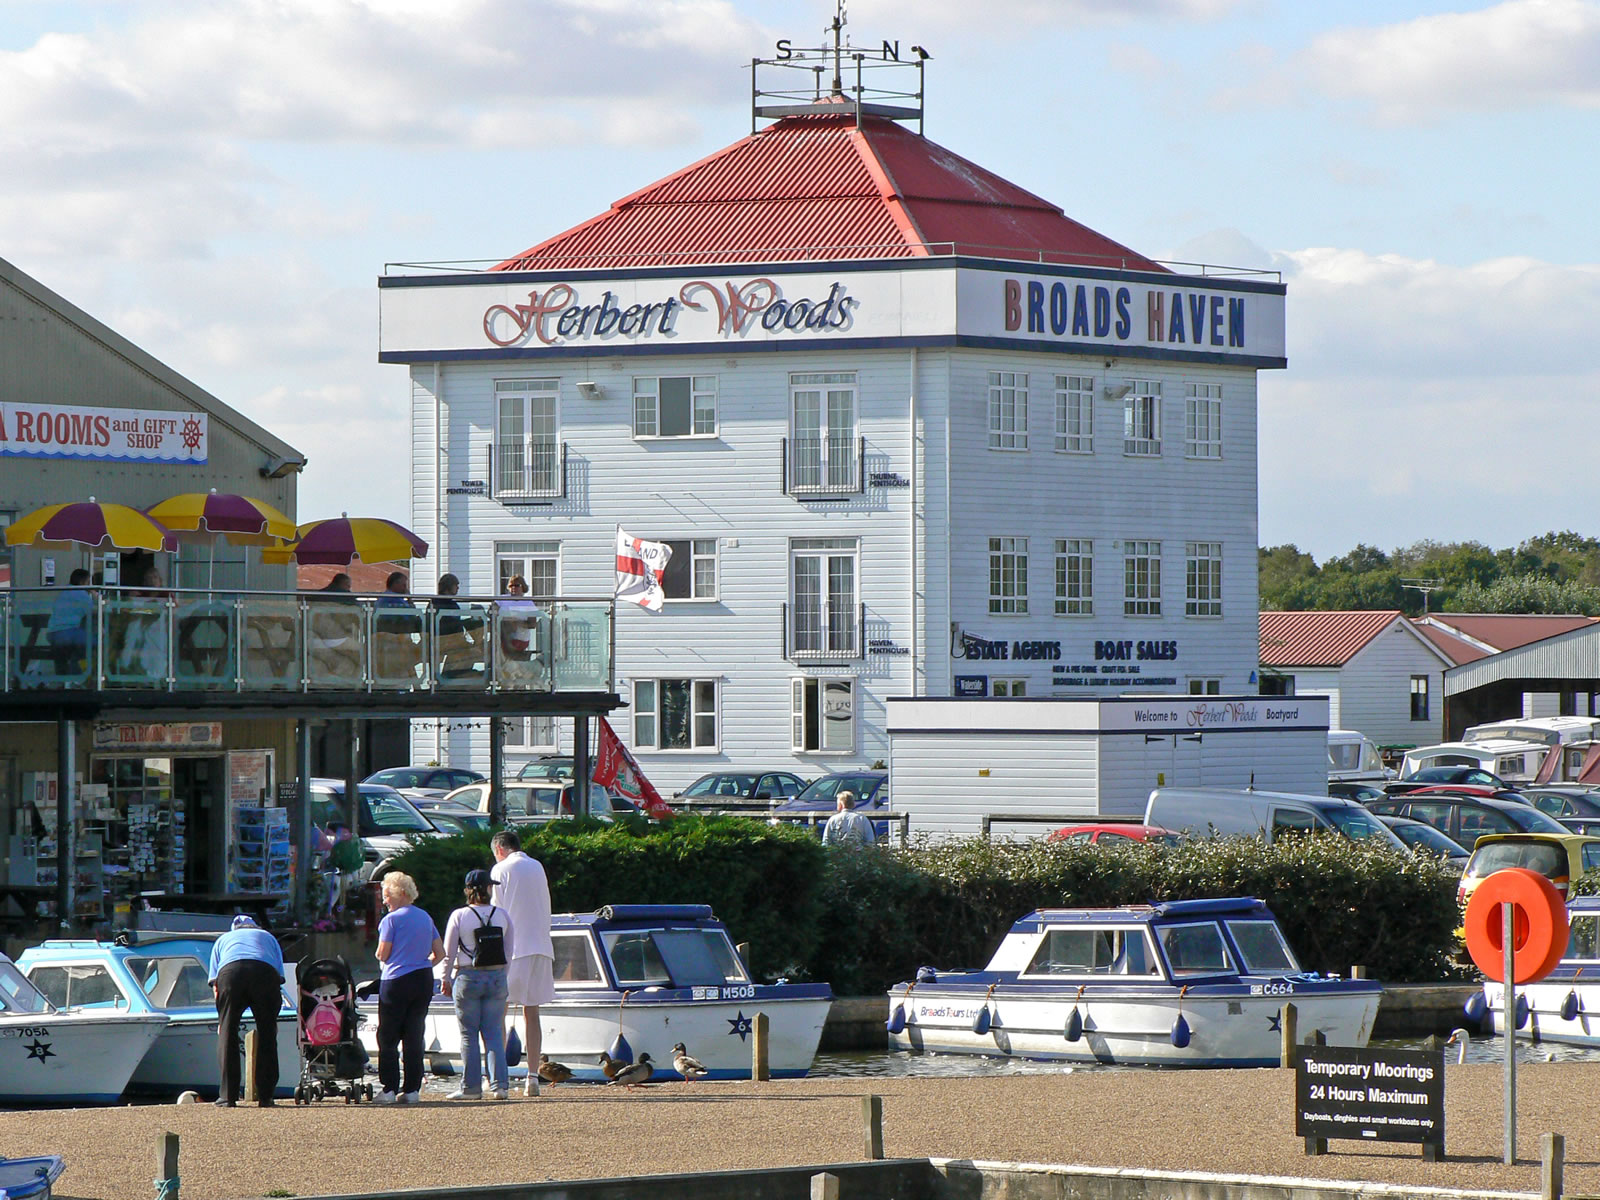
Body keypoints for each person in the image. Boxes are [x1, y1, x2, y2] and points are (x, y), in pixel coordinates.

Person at [440, 868, 515, 1100]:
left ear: (468, 890)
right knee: (493, 1033)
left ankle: (471, 1088)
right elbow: (509, 952)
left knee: (468, 1035)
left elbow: (448, 953)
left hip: (468, 976)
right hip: (497, 976)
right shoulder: (502, 915)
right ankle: (500, 1086)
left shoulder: (459, 915)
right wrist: (502, 976)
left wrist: (445, 978)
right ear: (489, 889)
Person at [490, 829, 554, 1097]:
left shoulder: (500, 869)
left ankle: (499, 1079)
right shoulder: (537, 866)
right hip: (542, 947)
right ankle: (532, 1078)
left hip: (514, 949)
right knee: (532, 1013)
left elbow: (495, 913)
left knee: (499, 1013)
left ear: (499, 850)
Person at [372, 872, 444, 1105]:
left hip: (396, 980)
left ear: (400, 893)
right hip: (422, 978)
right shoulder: (425, 917)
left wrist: (384, 955)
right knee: (414, 1034)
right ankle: (412, 1089)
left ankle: (389, 1088)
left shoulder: (390, 920)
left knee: (388, 1035)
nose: (385, 901)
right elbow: (440, 953)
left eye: (387, 896)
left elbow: (383, 953)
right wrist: (422, 963)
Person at [207, 914, 286, 1108]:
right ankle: (266, 1096)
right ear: (255, 927)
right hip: (264, 973)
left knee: (228, 1033)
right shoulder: (268, 937)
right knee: (267, 1033)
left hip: (230, 973)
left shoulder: (223, 940)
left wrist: (222, 1019)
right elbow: (279, 976)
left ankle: (227, 1097)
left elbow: (216, 985)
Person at [45, 569, 94, 676]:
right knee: (92, 644)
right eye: (88, 582)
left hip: (52, 634)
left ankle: (62, 678)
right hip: (69, 633)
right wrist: (95, 595)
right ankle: (76, 676)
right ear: (82, 582)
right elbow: (93, 612)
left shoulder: (63, 592)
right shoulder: (82, 594)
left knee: (61, 655)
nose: (89, 585)